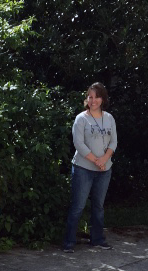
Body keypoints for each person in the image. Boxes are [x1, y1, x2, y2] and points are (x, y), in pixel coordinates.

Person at [63, 82, 117, 252]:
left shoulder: (109, 118)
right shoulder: (81, 119)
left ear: (103, 98)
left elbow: (114, 142)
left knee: (99, 207)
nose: (93, 100)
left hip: (104, 170)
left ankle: (97, 239)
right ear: (87, 98)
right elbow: (78, 144)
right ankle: (69, 243)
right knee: (78, 206)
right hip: (83, 169)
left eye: (97, 97)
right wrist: (96, 160)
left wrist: (104, 160)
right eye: (90, 97)